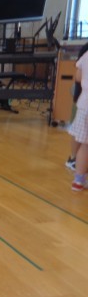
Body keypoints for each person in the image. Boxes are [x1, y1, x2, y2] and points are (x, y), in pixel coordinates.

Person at [69, 41, 88, 191]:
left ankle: (78, 180)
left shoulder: (86, 55)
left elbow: (78, 76)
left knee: (84, 145)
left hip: (84, 105)